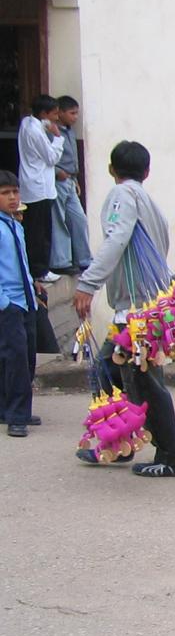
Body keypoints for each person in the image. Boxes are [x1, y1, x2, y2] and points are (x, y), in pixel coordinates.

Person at [72, 141, 175, 477]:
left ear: (111, 170)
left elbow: (117, 240)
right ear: (147, 172)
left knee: (145, 381)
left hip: (135, 311)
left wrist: (88, 283)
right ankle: (118, 442)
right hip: (143, 308)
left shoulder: (122, 196)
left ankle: (171, 454)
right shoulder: (150, 202)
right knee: (109, 371)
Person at [0, 172, 45, 437]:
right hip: (8, 302)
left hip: (25, 300)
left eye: (15, 192)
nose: (13, 198)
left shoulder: (15, 225)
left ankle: (11, 408)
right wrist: (5, 303)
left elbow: (22, 262)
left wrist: (33, 287)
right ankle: (17, 415)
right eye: (6, 193)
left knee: (26, 356)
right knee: (15, 358)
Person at [16, 94, 64, 283]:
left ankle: (39, 268)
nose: (56, 118)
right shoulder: (34, 131)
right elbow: (51, 158)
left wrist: (48, 127)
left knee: (38, 230)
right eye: (54, 114)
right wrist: (58, 138)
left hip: (37, 186)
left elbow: (41, 126)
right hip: (39, 188)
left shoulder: (28, 123)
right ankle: (39, 270)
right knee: (39, 233)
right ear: (44, 113)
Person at [49, 95, 92, 275]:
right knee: (59, 219)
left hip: (70, 180)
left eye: (77, 113)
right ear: (60, 113)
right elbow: (47, 157)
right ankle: (61, 261)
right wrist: (57, 171)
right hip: (58, 179)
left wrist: (74, 180)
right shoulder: (52, 132)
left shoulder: (70, 131)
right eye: (72, 113)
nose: (75, 117)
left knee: (79, 218)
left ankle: (84, 258)